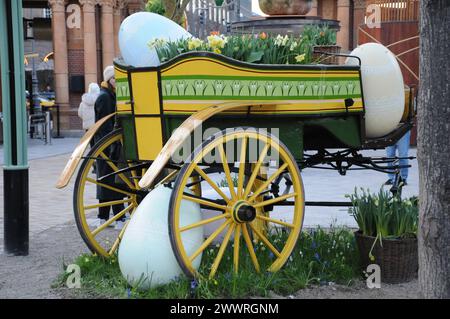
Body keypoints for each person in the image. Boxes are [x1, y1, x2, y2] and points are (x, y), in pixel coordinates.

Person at [93, 66, 126, 230]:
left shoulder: (109, 95)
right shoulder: (105, 97)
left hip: (107, 145)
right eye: (114, 78)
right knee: (111, 182)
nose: (116, 81)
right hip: (106, 146)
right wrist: (113, 142)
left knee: (108, 182)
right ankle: (114, 217)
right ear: (108, 80)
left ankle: (104, 217)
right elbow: (105, 125)